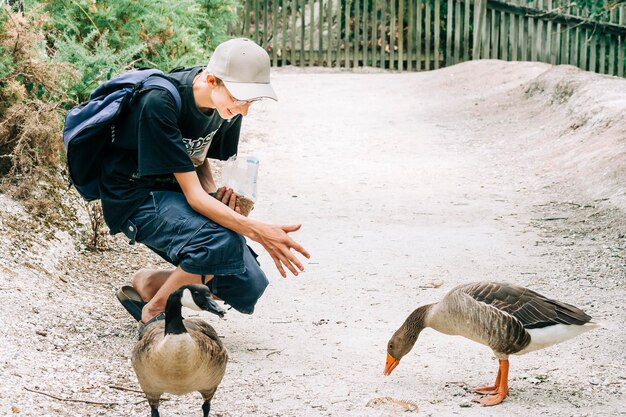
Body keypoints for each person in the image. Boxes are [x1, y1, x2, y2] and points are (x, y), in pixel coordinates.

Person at [101, 38, 310, 324]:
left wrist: (216, 195)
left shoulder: (228, 107)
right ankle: (154, 311)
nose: (244, 110)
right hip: (134, 195)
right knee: (219, 243)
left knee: (247, 285)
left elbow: (196, 159)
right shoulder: (160, 101)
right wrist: (258, 231)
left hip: (174, 191)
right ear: (211, 80)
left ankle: (150, 284)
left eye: (251, 101)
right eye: (240, 99)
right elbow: (194, 197)